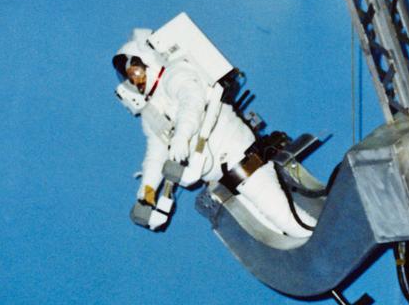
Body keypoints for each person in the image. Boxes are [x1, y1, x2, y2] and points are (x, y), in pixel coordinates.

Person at [112, 16, 313, 238]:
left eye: (135, 71)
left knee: (288, 221)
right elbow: (156, 155)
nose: (135, 79)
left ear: (147, 60)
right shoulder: (153, 110)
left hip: (243, 162)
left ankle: (337, 237)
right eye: (130, 77)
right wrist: (146, 194)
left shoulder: (176, 74)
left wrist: (181, 137)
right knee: (272, 233)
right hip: (225, 181)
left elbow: (192, 103)